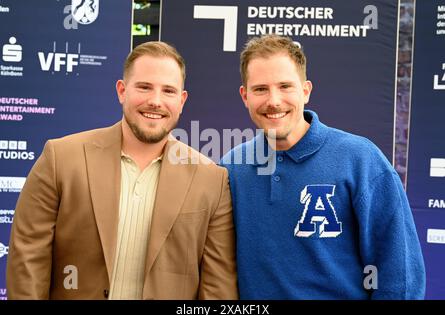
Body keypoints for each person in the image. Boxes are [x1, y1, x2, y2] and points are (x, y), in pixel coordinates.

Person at [7, 41, 238, 300]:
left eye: (168, 91)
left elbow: (218, 289)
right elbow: (28, 260)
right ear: (122, 90)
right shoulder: (60, 158)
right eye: (144, 87)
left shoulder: (212, 180)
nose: (155, 101)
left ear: (182, 100)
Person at [220, 34, 425, 299]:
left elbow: (401, 276)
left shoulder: (361, 161)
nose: (274, 100)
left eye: (285, 86)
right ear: (244, 95)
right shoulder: (231, 168)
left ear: (305, 90)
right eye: (260, 89)